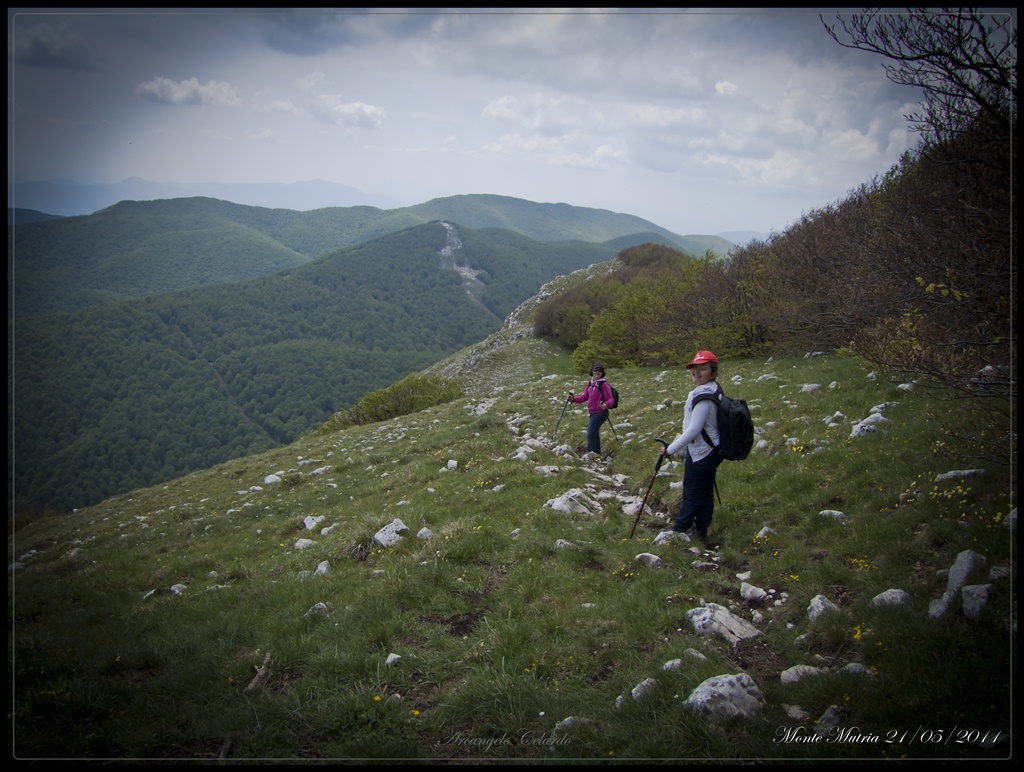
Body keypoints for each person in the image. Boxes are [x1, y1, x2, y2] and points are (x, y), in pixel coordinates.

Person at [660, 350, 722, 543]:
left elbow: (694, 429)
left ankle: (678, 530)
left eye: (703, 368)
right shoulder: (712, 389)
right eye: (695, 368)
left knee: (692, 492)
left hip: (702, 452)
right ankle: (701, 531)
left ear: (712, 372)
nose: (697, 372)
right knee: (704, 491)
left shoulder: (704, 395)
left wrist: (670, 449)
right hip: (711, 450)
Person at [567, 362, 615, 455]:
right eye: (595, 370)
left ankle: (591, 455)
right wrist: (573, 399)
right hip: (593, 413)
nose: (597, 372)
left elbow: (610, 399)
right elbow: (584, 397)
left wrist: (606, 404)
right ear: (592, 371)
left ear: (602, 372)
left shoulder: (604, 384)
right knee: (594, 434)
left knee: (590, 434)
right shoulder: (590, 383)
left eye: (600, 371)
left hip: (600, 412)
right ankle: (596, 455)